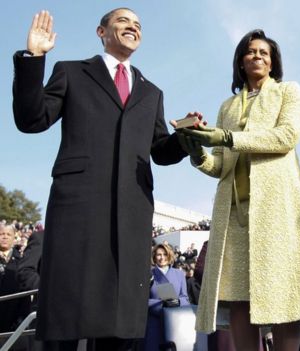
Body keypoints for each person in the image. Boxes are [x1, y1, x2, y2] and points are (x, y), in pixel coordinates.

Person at [11, 9, 188, 350]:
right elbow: (31, 118)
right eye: (123, 21)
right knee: (67, 314)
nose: (132, 27)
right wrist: (34, 58)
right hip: (77, 206)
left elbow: (160, 151)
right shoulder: (73, 72)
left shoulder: (152, 92)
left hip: (132, 212)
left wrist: (185, 138)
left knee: (120, 322)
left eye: (138, 24)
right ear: (101, 31)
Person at [178, 29, 300, 351]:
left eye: (264, 52)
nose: (257, 56)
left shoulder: (289, 92)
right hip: (234, 212)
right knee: (237, 297)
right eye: (251, 52)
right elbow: (220, 166)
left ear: (273, 61)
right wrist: (196, 152)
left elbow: (285, 137)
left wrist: (226, 138)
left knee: (283, 293)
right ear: (241, 61)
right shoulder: (228, 107)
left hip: (278, 208)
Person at [143, 244, 190, 351]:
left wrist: (177, 302)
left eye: (165, 254)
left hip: (174, 322)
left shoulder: (179, 274)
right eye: (159, 255)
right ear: (154, 257)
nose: (162, 257)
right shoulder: (148, 274)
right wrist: (162, 304)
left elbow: (185, 298)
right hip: (154, 323)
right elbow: (142, 301)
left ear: (169, 255)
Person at [0, 223, 29, 335]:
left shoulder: (22, 262)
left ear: (14, 238)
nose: (5, 237)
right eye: (1, 234)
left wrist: (22, 320)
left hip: (14, 322)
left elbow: (25, 292)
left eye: (8, 234)